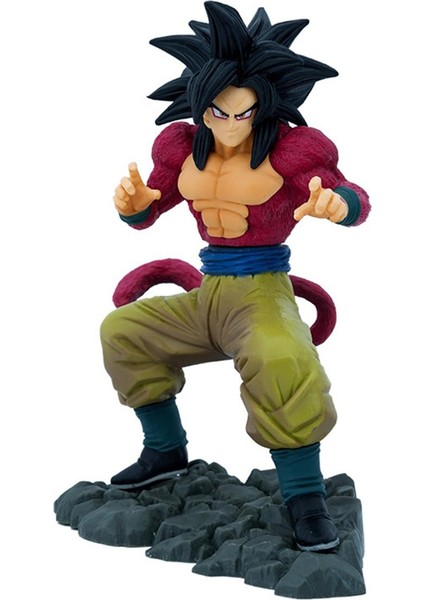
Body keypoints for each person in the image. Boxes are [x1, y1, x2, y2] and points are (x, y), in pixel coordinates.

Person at [100, 1, 370, 552]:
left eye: (241, 113)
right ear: (199, 104)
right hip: (210, 294)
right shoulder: (182, 146)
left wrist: (338, 205)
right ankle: (165, 450)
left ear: (264, 107)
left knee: (282, 358)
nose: (227, 124)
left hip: (262, 292)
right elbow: (153, 205)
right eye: (216, 111)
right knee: (123, 330)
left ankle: (304, 495)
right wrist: (135, 205)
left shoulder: (292, 150)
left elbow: (351, 194)